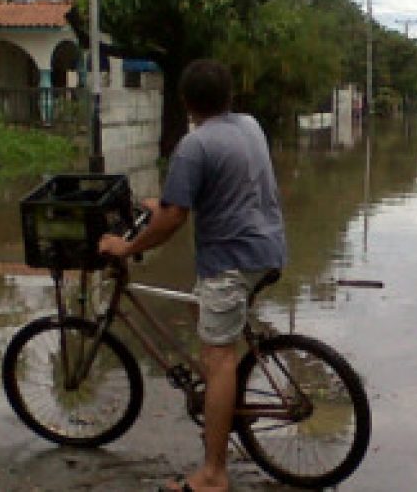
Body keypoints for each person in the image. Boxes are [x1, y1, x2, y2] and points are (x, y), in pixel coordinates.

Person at [98, 59, 287, 492]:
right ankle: (231, 408)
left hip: (231, 260)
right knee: (223, 342)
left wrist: (127, 246)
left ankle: (213, 475)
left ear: (184, 101)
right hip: (268, 247)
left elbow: (173, 221)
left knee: (217, 360)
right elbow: (221, 189)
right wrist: (160, 205)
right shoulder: (250, 126)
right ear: (231, 97)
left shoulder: (193, 145)